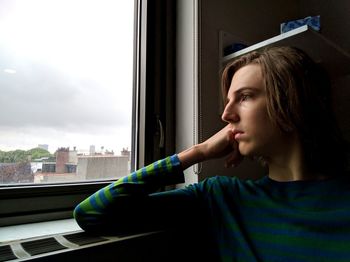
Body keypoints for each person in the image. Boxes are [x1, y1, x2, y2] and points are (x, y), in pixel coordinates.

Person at [74, 46, 350, 261]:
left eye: (244, 97)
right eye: (229, 100)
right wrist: (197, 152)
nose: (226, 114)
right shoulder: (223, 198)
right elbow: (93, 213)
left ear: (292, 103)